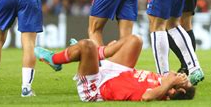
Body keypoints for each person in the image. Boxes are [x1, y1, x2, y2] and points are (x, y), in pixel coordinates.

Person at [34, 35, 196, 101]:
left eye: (184, 81)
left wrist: (168, 83)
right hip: (119, 73)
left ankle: (56, 59)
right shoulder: (165, 82)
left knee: (87, 45)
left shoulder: (162, 91)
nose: (182, 76)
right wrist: (171, 79)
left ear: (177, 91)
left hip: (99, 86)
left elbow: (146, 98)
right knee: (135, 40)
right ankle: (97, 54)